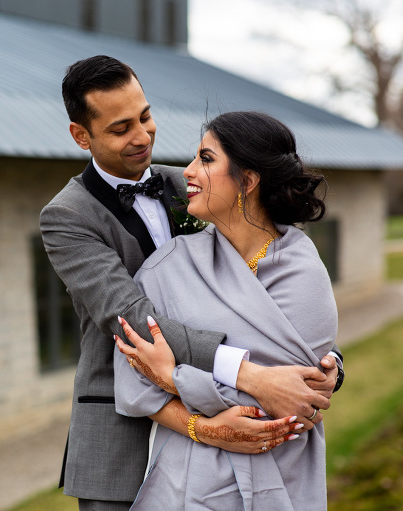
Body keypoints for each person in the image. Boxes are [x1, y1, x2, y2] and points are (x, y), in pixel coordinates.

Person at [40, 55, 342, 510]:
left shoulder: (187, 187)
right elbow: (134, 319)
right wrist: (251, 375)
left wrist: (323, 363)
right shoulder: (66, 217)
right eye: (121, 128)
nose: (143, 137)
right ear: (81, 135)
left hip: (215, 422)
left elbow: (251, 300)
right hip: (120, 429)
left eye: (145, 117)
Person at [114, 111, 338, 509]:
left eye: (206, 158)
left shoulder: (304, 270)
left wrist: (173, 376)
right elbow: (134, 386)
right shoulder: (166, 268)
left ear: (248, 181)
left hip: (283, 480)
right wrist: (206, 416)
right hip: (186, 488)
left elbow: (292, 406)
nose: (187, 171)